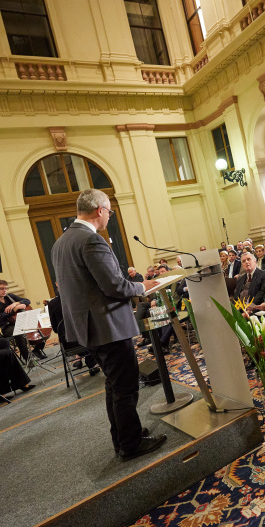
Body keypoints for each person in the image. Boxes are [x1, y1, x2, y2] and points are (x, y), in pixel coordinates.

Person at [52, 189, 166, 461]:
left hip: (86, 329)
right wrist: (142, 286)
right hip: (107, 326)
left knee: (113, 385)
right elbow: (114, 286)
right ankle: (131, 444)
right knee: (125, 386)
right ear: (100, 210)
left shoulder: (61, 243)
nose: (109, 218)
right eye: (110, 212)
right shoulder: (91, 241)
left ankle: (123, 437)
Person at [48, 287, 101, 376]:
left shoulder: (52, 304)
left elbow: (55, 329)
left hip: (67, 344)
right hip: (85, 340)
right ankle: (92, 364)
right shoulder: (78, 299)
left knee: (76, 337)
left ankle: (78, 358)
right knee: (88, 334)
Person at [0, 280, 34, 361]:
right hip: (7, 326)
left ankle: (37, 350)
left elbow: (27, 300)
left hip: (19, 321)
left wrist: (15, 303)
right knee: (19, 332)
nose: (4, 291)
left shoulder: (10, 296)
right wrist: (14, 309)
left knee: (37, 324)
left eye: (5, 288)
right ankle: (28, 358)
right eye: (1, 289)